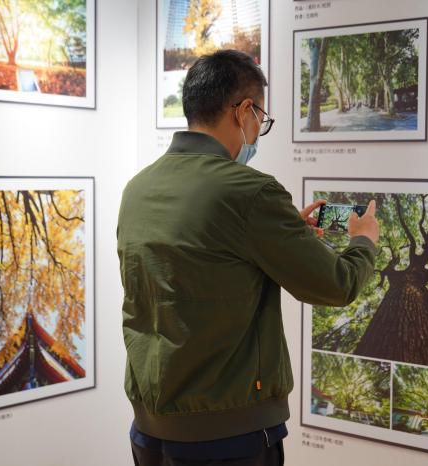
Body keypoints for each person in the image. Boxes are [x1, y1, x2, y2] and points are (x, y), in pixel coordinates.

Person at [117, 49, 380, 466]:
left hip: (149, 430)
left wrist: (277, 232)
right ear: (242, 111)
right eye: (261, 117)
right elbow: (337, 284)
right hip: (227, 436)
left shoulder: (138, 187)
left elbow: (200, 266)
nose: (259, 129)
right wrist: (363, 241)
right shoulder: (248, 191)